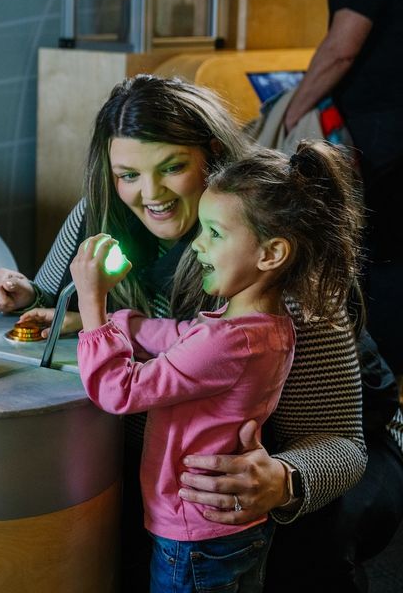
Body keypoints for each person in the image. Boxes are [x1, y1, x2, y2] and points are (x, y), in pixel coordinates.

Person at [0, 74, 403, 591]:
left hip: (309, 456)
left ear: (214, 157)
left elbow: (342, 444)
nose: (150, 194)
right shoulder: (100, 213)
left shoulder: (277, 260)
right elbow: (57, 301)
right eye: (128, 174)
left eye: (172, 167)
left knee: (308, 562)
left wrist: (283, 480)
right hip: (167, 473)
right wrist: (25, 295)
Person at [73, 141, 362, 592]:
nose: (197, 245)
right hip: (229, 529)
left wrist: (92, 305)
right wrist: (119, 323)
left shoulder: (232, 339)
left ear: (271, 253)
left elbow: (119, 391)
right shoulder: (262, 326)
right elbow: (182, 335)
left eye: (214, 233)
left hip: (192, 530)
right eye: (128, 174)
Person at [282, 0, 403, 377]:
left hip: (382, 133)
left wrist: (294, 111)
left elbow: (341, 49)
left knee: (378, 254)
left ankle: (374, 385)